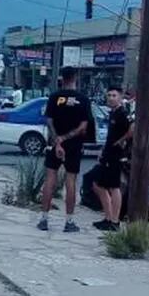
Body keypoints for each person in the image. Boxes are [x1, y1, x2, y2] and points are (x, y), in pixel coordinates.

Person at [38, 66, 91, 233]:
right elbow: (84, 126)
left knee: (50, 179)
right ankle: (69, 221)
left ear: (62, 78)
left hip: (54, 143)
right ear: (75, 78)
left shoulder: (54, 97)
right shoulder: (82, 99)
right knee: (71, 181)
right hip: (74, 144)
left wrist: (57, 140)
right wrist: (66, 139)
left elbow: (49, 121)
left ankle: (44, 219)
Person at [93, 86, 133, 231]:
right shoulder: (113, 113)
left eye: (114, 95)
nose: (110, 98)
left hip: (116, 155)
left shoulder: (123, 113)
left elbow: (132, 129)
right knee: (99, 185)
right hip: (108, 153)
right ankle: (108, 217)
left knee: (114, 187)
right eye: (109, 95)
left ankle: (115, 221)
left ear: (120, 97)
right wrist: (103, 150)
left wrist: (120, 141)